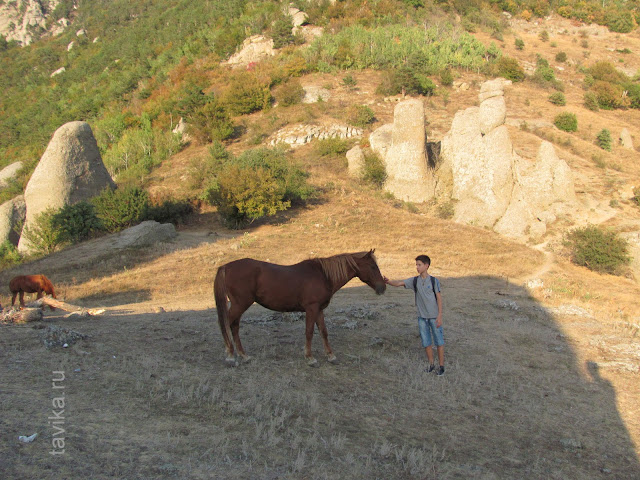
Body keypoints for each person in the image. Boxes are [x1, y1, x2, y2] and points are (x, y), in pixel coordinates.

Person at [384, 255, 445, 375]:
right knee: (426, 342)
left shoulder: (433, 281)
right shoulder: (414, 281)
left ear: (426, 266)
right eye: (416, 265)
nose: (417, 267)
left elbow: (439, 298)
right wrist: (388, 281)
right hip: (422, 318)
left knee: (439, 342)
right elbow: (399, 283)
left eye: (419, 265)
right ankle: (431, 365)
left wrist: (439, 316)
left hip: (434, 317)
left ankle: (441, 366)